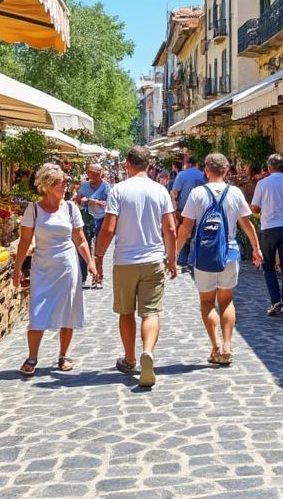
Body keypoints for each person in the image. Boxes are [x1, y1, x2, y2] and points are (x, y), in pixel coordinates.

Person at [94, 146, 178, 388]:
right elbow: (170, 229)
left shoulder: (119, 190)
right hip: (153, 259)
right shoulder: (160, 190)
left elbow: (108, 229)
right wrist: (172, 259)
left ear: (128, 165)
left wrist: (98, 256)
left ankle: (130, 358)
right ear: (149, 165)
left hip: (125, 261)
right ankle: (148, 352)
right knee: (151, 312)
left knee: (126, 311)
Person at [175, 153, 262, 365]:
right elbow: (246, 223)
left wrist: (173, 255)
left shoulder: (197, 193)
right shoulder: (234, 192)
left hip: (204, 253)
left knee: (207, 301)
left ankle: (215, 346)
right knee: (226, 300)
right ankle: (228, 346)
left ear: (206, 170)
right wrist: (256, 248)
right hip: (229, 251)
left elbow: (186, 228)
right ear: (226, 171)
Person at [13, 164, 97, 375]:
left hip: (67, 265)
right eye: (60, 182)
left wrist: (91, 262)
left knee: (67, 309)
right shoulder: (33, 209)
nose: (64, 185)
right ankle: (32, 356)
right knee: (37, 310)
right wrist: (17, 269)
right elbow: (24, 241)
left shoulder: (70, 208)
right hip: (42, 266)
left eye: (64, 182)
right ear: (48, 185)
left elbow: (79, 238)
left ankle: (63, 355)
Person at [250, 154, 283, 316]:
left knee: (268, 265)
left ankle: (275, 300)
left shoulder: (262, 184)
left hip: (268, 228)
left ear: (268, 167)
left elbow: (255, 207)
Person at [74, 164, 112, 289]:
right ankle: (84, 277)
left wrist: (92, 201)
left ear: (98, 173)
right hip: (86, 219)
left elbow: (108, 203)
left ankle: (98, 277)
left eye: (91, 172)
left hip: (101, 219)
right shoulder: (84, 186)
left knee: (98, 250)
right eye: (88, 172)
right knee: (84, 246)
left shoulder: (106, 186)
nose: (88, 175)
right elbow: (78, 200)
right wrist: (85, 201)